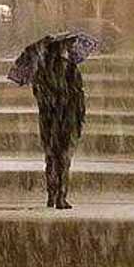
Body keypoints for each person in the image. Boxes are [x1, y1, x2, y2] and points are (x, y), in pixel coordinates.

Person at [30, 35, 86, 209]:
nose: (68, 49)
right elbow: (77, 94)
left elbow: (78, 93)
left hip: (56, 118)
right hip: (61, 119)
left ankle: (54, 194)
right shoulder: (66, 68)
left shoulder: (47, 69)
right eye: (66, 46)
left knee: (54, 157)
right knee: (62, 157)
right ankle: (58, 195)